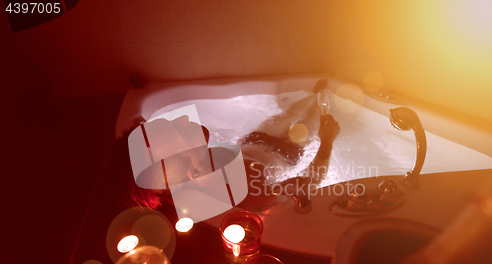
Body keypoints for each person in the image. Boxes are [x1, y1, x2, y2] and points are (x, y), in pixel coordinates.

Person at [110, 80, 339, 218]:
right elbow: (308, 183)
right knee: (311, 122)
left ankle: (312, 97)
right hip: (287, 152)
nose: (181, 118)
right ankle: (318, 106)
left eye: (168, 122)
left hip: (254, 139)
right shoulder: (251, 193)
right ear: (195, 172)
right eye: (181, 131)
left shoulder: (189, 175)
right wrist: (327, 141)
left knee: (288, 114)